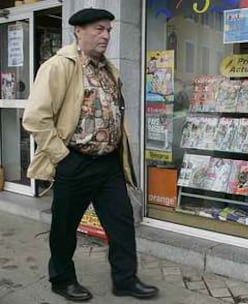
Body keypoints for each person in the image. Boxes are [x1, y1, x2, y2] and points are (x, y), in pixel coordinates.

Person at [22, 8, 159, 302]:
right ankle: (61, 279)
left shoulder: (110, 70)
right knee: (64, 228)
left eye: (109, 30)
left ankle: (125, 280)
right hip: (74, 161)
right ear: (78, 31)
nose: (106, 35)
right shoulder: (59, 66)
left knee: (121, 224)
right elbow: (35, 118)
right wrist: (62, 157)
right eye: (99, 29)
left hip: (108, 164)